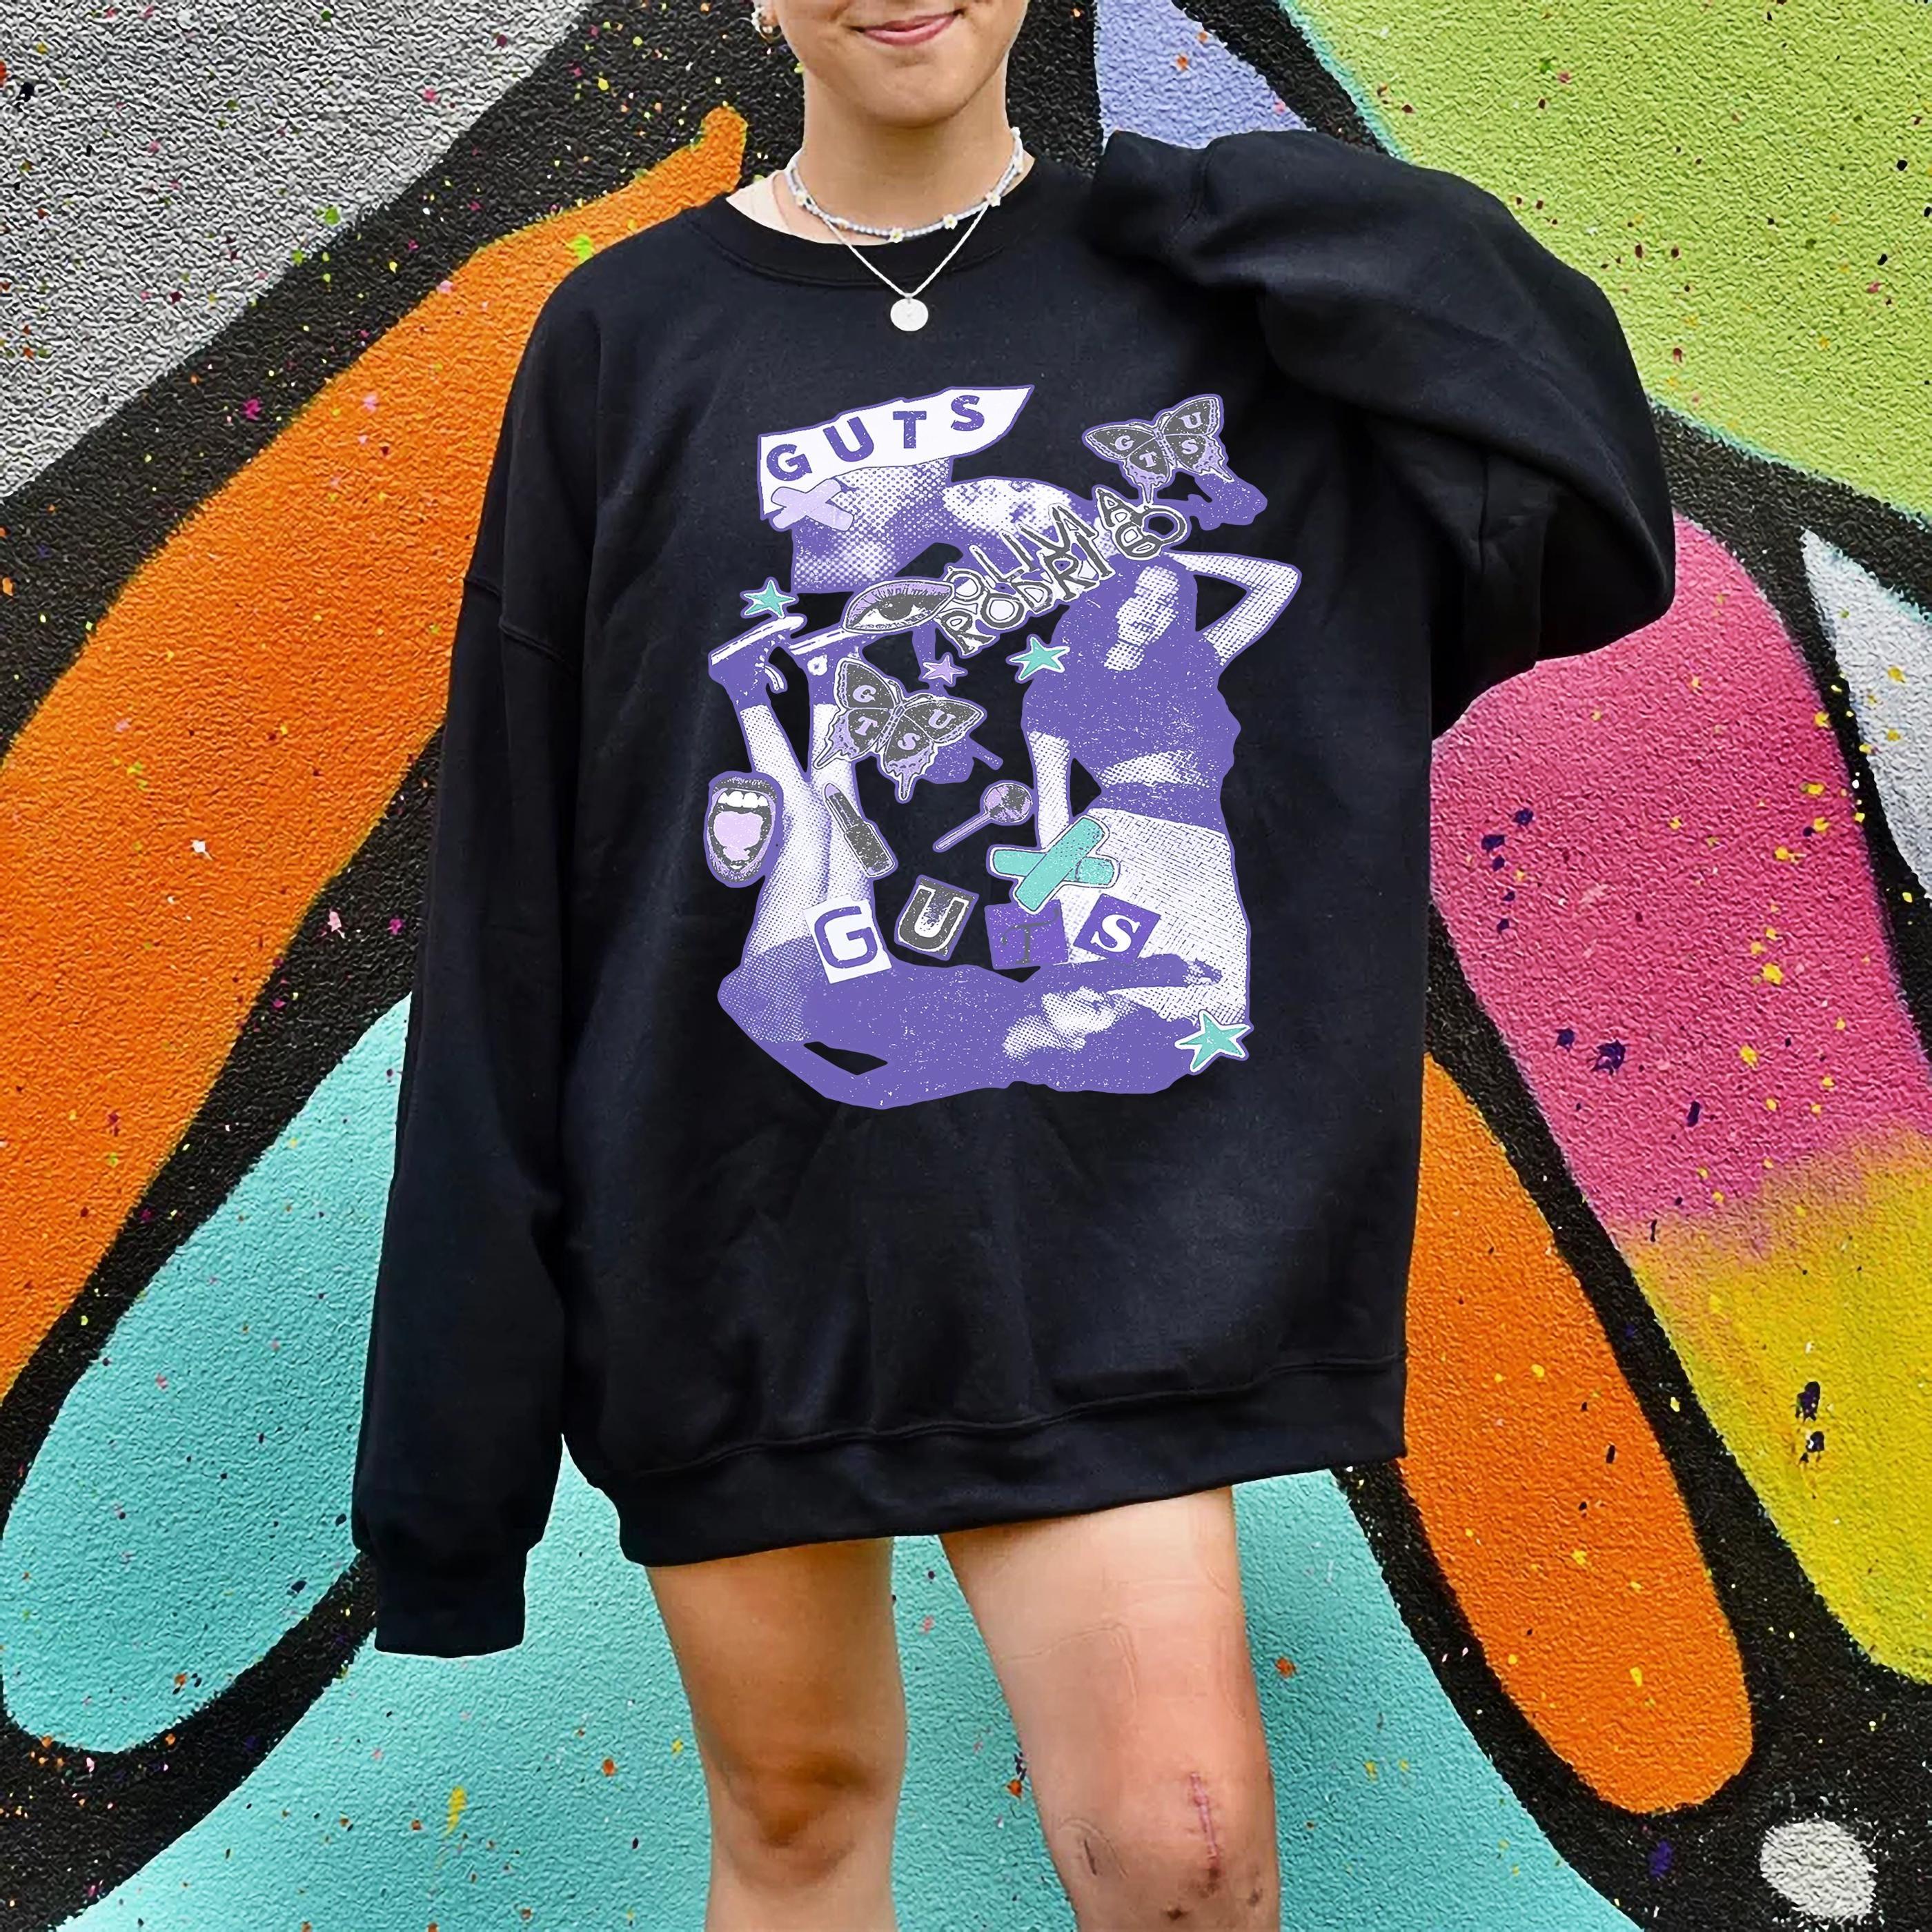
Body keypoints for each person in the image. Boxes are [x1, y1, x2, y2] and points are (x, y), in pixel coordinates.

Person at [348, 0, 1677, 1924]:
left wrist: (1225, 203)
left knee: (1182, 1842)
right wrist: (453, 1462)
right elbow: (521, 860)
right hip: (737, 1219)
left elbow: (1584, 497)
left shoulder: (1209, 298)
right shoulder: (625, 337)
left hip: (1111, 1227)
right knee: (799, 1815)